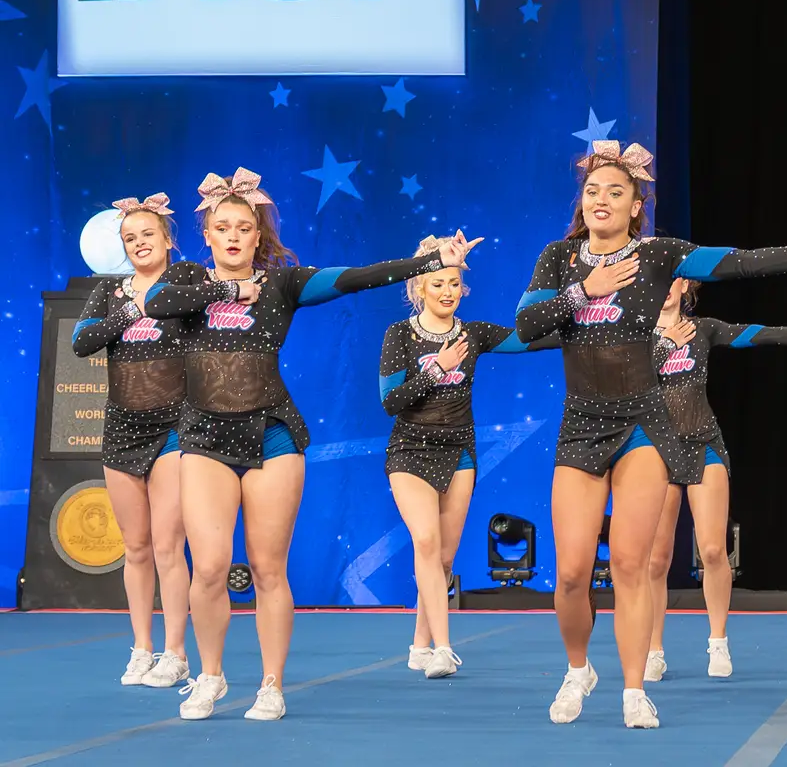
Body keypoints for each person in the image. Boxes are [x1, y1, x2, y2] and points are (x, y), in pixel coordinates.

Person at [515, 138, 787, 729]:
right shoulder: (559, 258)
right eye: (593, 190)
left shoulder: (659, 256)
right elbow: (527, 325)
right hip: (582, 425)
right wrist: (585, 291)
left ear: (635, 207)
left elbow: (739, 262)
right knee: (572, 574)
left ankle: (633, 689)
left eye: (616, 192)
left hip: (643, 423)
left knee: (631, 565)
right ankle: (578, 670)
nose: (602, 199)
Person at [145, 168, 481, 721]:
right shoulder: (187, 281)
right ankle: (209, 676)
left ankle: (271, 685)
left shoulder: (282, 285)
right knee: (208, 568)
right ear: (207, 234)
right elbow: (156, 302)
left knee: (267, 569)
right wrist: (230, 289)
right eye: (222, 227)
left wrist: (427, 263)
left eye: (244, 228)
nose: (233, 236)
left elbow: (354, 278)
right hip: (204, 437)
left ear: (258, 235)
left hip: (272, 435)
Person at [644, 278, 787, 682]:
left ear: (685, 285)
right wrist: (664, 343)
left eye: (672, 278)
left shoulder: (703, 329)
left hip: (703, 443)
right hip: (656, 450)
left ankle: (717, 640)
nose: (665, 287)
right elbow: (625, 382)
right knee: (656, 559)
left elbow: (763, 333)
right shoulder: (635, 334)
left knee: (713, 549)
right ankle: (653, 649)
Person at [379, 236, 558, 680]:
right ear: (419, 287)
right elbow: (391, 401)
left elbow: (528, 340)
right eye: (438, 283)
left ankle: (419, 645)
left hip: (459, 452)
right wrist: (436, 369)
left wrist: (585, 324)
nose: (447, 291)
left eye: (454, 283)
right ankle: (443, 648)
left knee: (442, 559)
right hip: (410, 451)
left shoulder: (472, 333)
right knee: (425, 541)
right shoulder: (399, 335)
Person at [71, 193, 191, 689]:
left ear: (167, 238)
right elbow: (82, 342)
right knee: (136, 546)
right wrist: (130, 311)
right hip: (122, 429)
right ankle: (142, 647)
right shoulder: (109, 292)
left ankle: (175, 651)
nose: (139, 243)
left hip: (174, 428)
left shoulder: (187, 282)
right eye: (129, 238)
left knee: (168, 544)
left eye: (147, 234)